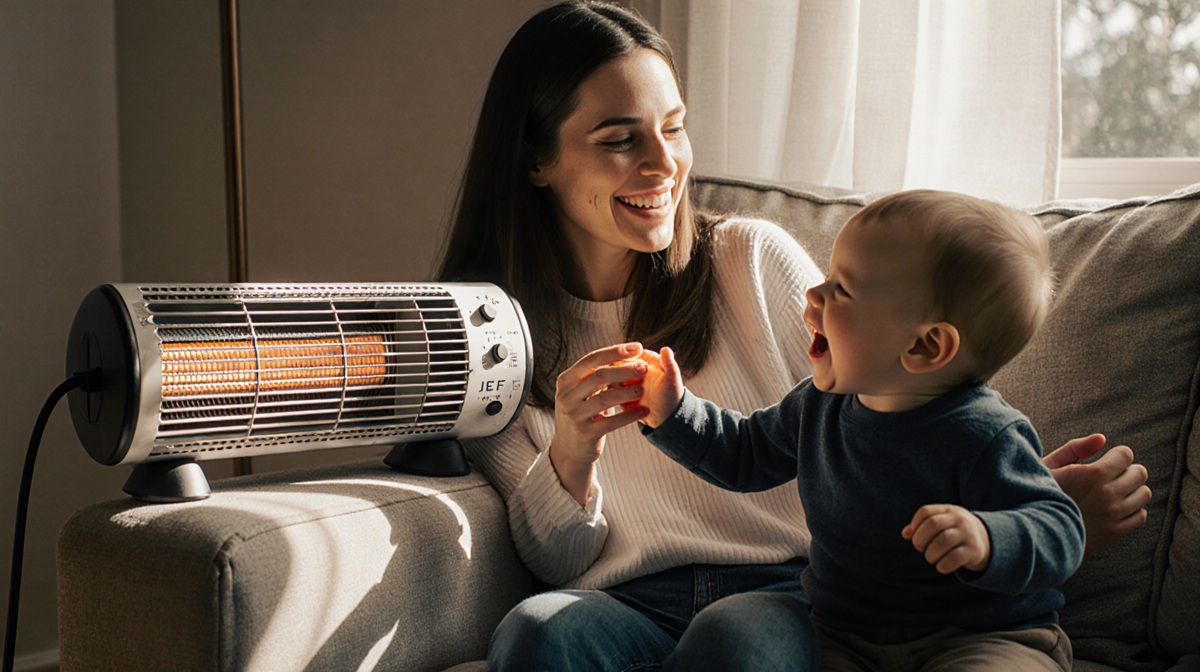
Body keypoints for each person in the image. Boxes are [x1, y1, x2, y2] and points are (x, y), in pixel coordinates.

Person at [436, 2, 1150, 670]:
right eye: (621, 139)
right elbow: (558, 562)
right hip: (628, 601)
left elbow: (908, 391)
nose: (664, 164)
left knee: (736, 637)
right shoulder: (490, 339)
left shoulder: (750, 258)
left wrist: (1012, 519)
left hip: (791, 595)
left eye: (675, 126)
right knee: (537, 633)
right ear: (536, 160)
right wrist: (572, 448)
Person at [637, 190, 1083, 670]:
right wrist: (675, 410)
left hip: (982, 636)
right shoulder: (819, 405)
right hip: (846, 636)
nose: (813, 294)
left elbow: (1061, 526)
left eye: (841, 290)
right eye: (827, 278)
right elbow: (744, 453)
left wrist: (989, 537)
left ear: (926, 346)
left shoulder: (985, 433)